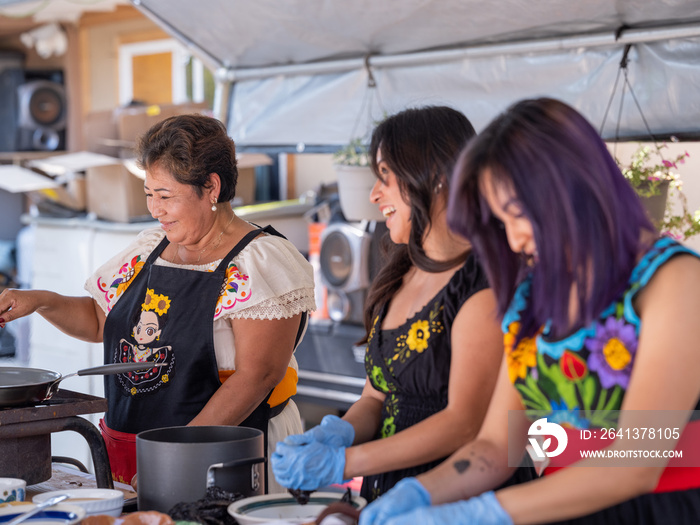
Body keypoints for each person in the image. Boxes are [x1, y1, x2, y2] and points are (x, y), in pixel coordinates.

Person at [359, 97, 700, 524]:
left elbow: (638, 460)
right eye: (503, 220)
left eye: (519, 214)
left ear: (573, 189)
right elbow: (496, 447)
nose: (515, 239)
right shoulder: (532, 299)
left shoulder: (674, 279)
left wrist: (479, 512)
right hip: (553, 507)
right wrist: (419, 492)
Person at [0, 114, 315, 493]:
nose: (154, 209)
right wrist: (39, 301)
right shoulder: (151, 249)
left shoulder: (260, 263)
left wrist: (177, 456)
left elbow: (256, 377)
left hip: (225, 453)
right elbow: (102, 320)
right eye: (149, 194)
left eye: (165, 196)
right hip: (134, 448)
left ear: (211, 187)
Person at [272, 106, 534, 502]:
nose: (375, 195)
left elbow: (464, 423)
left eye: (385, 178)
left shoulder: (484, 284)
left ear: (437, 178)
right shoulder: (400, 270)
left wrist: (345, 463)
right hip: (388, 491)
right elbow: (376, 396)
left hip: (456, 496)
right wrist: (338, 432)